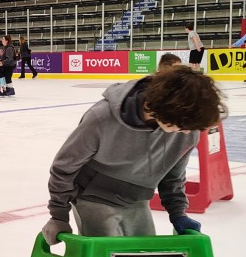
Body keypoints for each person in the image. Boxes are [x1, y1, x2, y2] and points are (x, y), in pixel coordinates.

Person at [42, 67, 225, 241]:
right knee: (106, 255)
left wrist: (178, 214)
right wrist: (59, 215)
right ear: (169, 108)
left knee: (144, 256)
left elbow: (173, 177)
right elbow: (63, 168)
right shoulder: (101, 118)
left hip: (137, 199)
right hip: (92, 196)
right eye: (183, 126)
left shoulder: (187, 130)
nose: (186, 132)